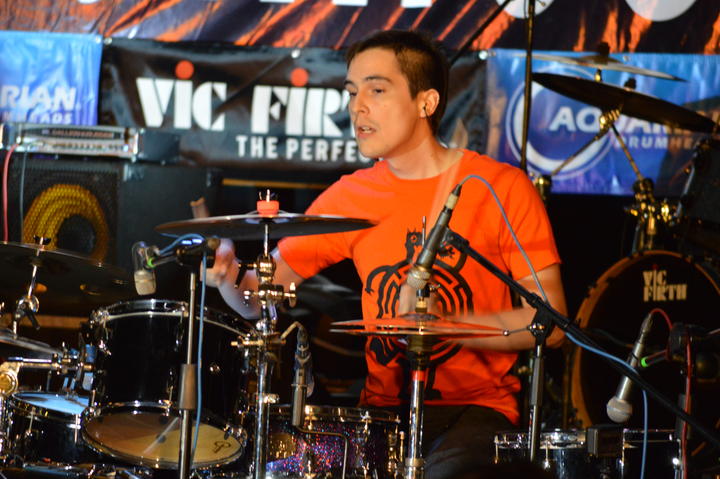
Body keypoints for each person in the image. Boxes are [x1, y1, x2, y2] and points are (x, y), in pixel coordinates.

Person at [206, 29, 567, 479]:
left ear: (426, 102)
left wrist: (443, 326)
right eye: (352, 92)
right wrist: (227, 278)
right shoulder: (351, 196)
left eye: (376, 90)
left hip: (477, 411)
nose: (358, 106)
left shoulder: (501, 187)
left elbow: (551, 323)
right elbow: (260, 299)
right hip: (381, 417)